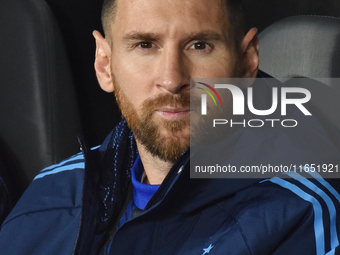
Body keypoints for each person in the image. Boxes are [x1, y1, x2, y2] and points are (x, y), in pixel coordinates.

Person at [1, 0, 340, 254]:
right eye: (145, 45)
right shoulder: (52, 194)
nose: (172, 79)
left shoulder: (301, 211)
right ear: (105, 65)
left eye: (200, 45)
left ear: (247, 62)